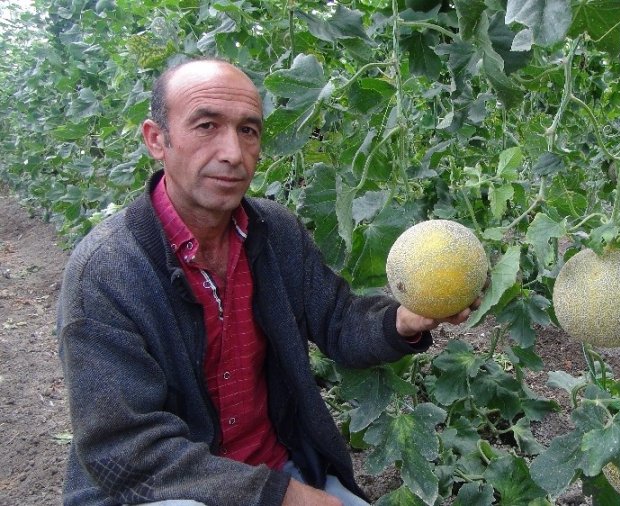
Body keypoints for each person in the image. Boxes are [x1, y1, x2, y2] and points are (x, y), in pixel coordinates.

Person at [56, 58, 477, 506]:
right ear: (157, 139)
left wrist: (403, 321)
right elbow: (124, 449)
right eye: (206, 126)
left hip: (276, 465)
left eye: (248, 131)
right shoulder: (104, 273)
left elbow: (337, 320)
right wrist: (282, 496)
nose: (233, 154)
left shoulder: (276, 233)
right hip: (161, 493)